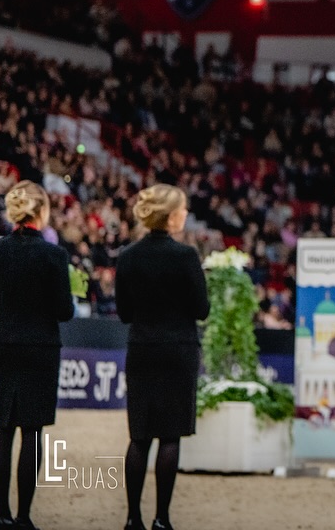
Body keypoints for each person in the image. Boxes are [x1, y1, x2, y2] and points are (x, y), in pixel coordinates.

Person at [115, 184, 210, 530]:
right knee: (170, 436)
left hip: (142, 349)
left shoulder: (127, 257)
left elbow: (124, 313)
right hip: (178, 350)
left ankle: (132, 518)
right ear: (171, 216)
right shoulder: (186, 257)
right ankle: (162, 519)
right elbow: (202, 309)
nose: (185, 214)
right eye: (183, 209)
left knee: (139, 436)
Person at [0, 180, 74, 530]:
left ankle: (1, 515)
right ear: (42, 211)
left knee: (2, 428)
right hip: (40, 348)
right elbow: (64, 310)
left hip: (4, 344)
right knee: (32, 431)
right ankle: (23, 516)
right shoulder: (54, 255)